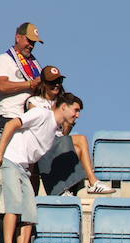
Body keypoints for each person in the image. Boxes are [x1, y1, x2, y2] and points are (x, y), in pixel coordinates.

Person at [0, 91, 84, 243]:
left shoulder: (55, 131)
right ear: (64, 107)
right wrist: (0, 153)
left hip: (23, 168)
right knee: (13, 203)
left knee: (29, 212)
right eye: (75, 110)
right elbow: (12, 124)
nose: (77, 115)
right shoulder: (42, 113)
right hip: (9, 159)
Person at [24, 68, 113, 197]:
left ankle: (64, 191)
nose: (56, 85)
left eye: (59, 81)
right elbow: (35, 126)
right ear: (43, 83)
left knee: (76, 149)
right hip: (43, 142)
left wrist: (69, 123)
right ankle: (93, 182)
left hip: (57, 143)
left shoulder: (62, 102)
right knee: (81, 139)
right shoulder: (34, 102)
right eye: (52, 82)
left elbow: (64, 133)